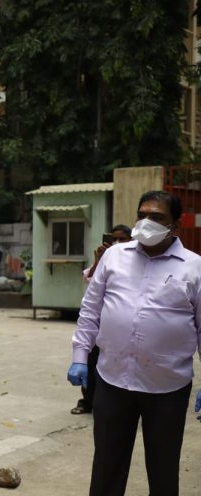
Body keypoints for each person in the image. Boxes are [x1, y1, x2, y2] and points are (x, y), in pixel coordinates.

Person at [67, 190, 201, 496]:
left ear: (176, 225)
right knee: (107, 469)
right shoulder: (114, 256)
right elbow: (90, 309)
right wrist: (79, 355)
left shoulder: (194, 267)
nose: (145, 222)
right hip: (112, 381)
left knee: (163, 472)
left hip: (167, 387)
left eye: (156, 217)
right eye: (142, 215)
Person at [70, 224, 132, 415]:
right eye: (114, 239)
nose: (117, 243)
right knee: (90, 363)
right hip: (98, 325)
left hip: (120, 329)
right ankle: (87, 401)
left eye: (122, 239)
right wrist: (99, 259)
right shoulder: (106, 260)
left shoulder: (134, 263)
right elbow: (91, 283)